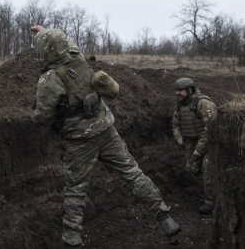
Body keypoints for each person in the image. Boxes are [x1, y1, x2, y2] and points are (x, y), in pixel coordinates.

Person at [30, 25, 181, 247]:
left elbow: (42, 117)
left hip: (79, 141)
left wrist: (33, 113)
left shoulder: (49, 79)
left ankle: (71, 239)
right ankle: (164, 217)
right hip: (106, 130)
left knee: (75, 189)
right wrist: (46, 31)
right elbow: (66, 44)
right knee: (133, 173)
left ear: (44, 51)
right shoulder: (77, 57)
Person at [171, 78, 217, 215]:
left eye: (180, 90)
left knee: (208, 170)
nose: (177, 93)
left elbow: (210, 130)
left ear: (190, 90)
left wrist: (198, 151)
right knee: (192, 168)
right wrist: (179, 138)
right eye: (176, 90)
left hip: (210, 143)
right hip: (191, 142)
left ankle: (211, 202)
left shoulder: (203, 104)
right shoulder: (180, 104)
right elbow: (175, 124)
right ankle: (208, 191)